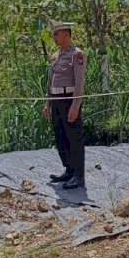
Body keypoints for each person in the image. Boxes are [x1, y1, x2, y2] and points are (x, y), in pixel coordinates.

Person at [43, 20, 86, 189]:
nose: (54, 37)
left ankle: (78, 175)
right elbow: (50, 81)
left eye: (56, 34)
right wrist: (48, 103)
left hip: (70, 98)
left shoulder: (77, 54)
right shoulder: (55, 56)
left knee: (73, 137)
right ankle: (68, 169)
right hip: (56, 99)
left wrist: (76, 105)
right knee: (60, 136)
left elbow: (80, 81)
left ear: (66, 34)